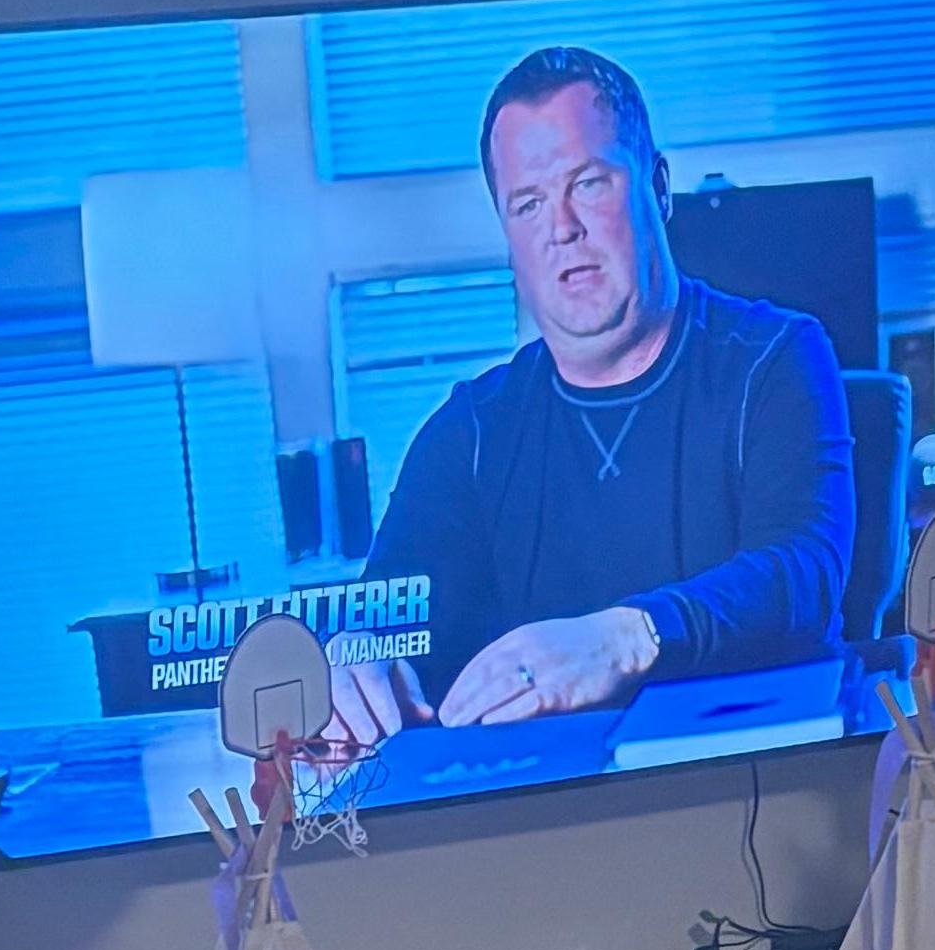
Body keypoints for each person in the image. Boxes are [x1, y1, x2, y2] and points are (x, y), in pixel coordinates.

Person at [330, 46, 856, 750]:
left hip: (755, 790)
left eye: (589, 184)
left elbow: (804, 570)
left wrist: (626, 638)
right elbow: (390, 617)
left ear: (658, 188)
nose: (562, 228)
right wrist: (352, 657)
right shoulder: (470, 431)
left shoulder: (775, 359)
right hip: (544, 829)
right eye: (529, 203)